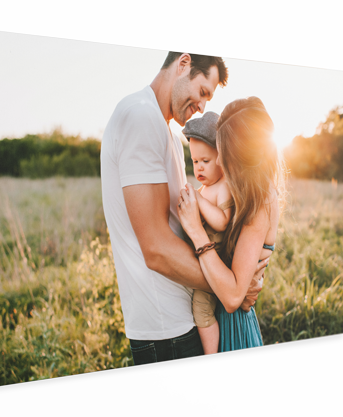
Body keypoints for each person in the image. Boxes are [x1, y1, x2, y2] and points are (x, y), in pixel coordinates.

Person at [101, 52, 268, 366]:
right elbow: (156, 248)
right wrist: (233, 289)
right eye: (203, 92)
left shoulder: (163, 129)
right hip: (168, 329)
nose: (203, 106)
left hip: (179, 318)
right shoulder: (140, 117)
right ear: (183, 64)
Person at [178, 97, 285, 352]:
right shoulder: (244, 194)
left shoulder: (260, 201)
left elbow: (234, 296)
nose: (220, 163)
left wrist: (195, 231)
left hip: (233, 327)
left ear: (240, 158)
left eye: (223, 156)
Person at [182, 111, 233, 354]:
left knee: (201, 310)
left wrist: (199, 202)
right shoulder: (205, 188)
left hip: (215, 262)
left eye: (206, 161)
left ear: (221, 159)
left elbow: (222, 222)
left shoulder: (222, 187)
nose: (199, 167)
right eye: (195, 162)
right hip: (201, 260)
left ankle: (211, 354)